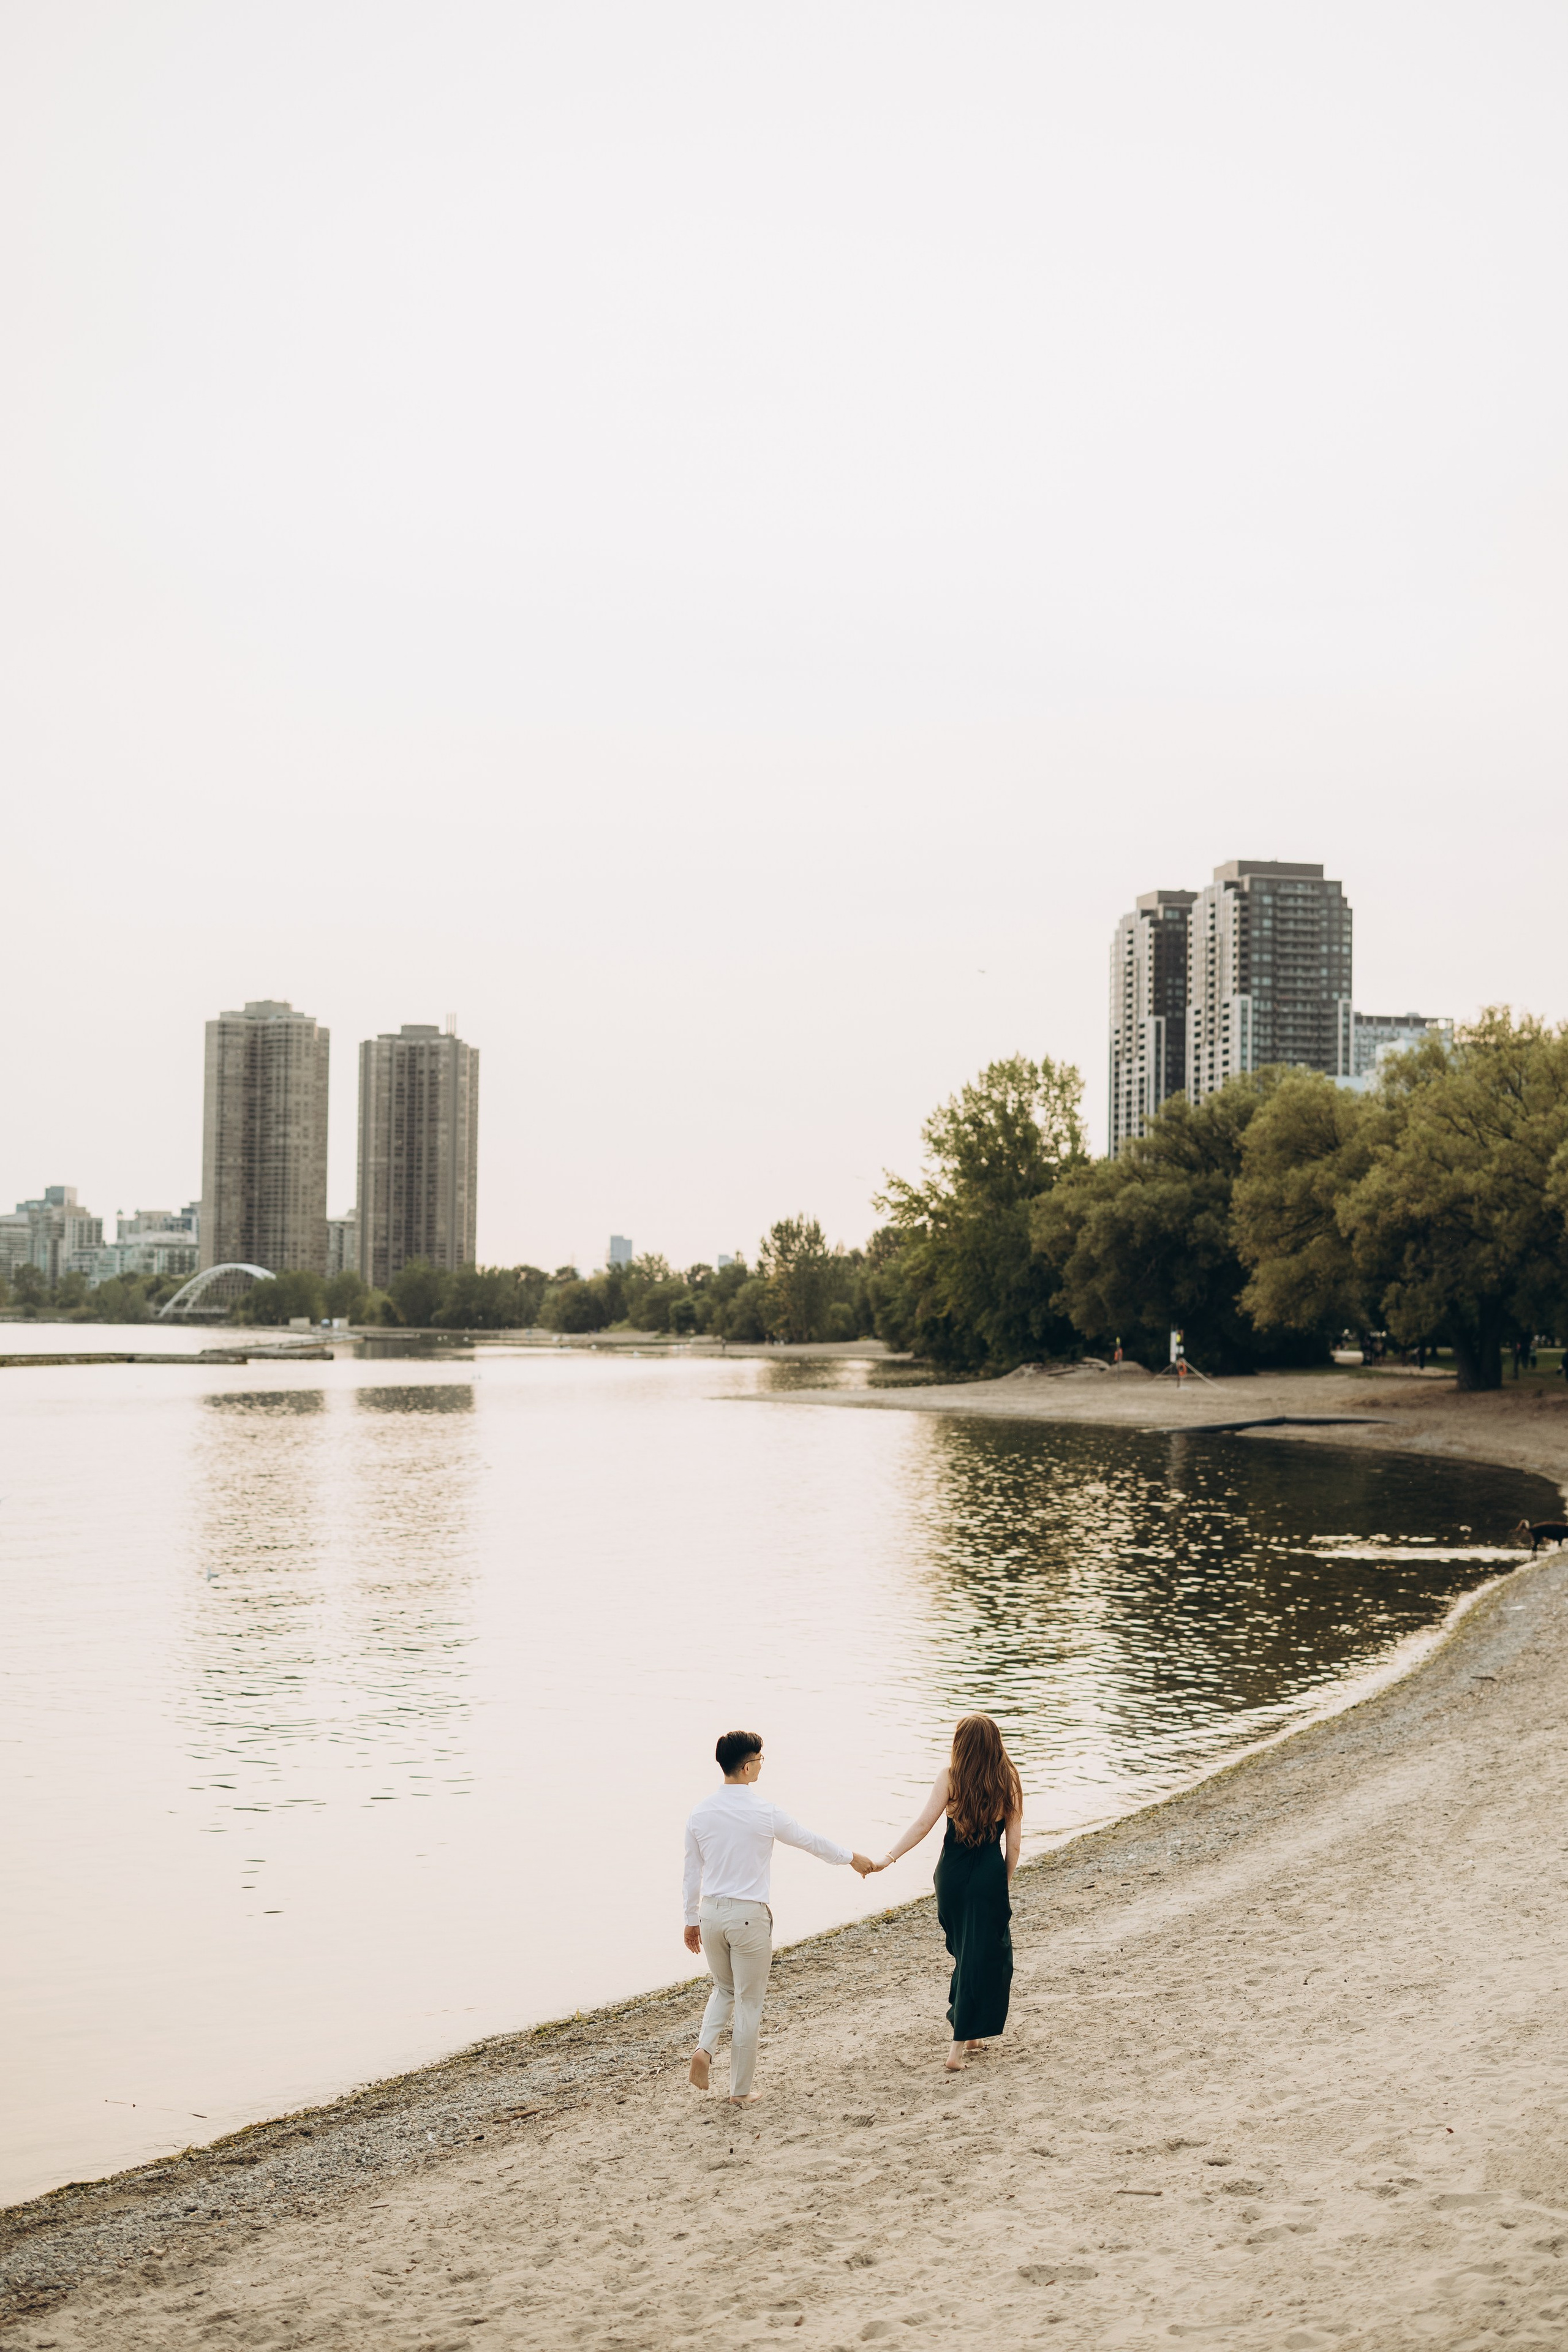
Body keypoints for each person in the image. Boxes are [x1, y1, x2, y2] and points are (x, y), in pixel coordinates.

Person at [683, 1730, 873, 2106]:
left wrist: (691, 1919)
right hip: (749, 1917)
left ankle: (705, 2048)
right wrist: (853, 1858)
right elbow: (810, 1840)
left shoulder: (700, 1812)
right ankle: (739, 2092)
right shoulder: (764, 1811)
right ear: (747, 1765)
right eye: (760, 1759)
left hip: (711, 1913)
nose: (761, 1766)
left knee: (724, 1989)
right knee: (750, 2002)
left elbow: (692, 1871)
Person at [874, 1714, 1022, 2072]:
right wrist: (1001, 1882)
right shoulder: (1009, 1780)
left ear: (962, 1744)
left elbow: (923, 1824)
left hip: (950, 1878)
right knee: (986, 1956)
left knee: (965, 1952)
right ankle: (957, 2049)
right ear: (996, 1742)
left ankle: (972, 2035)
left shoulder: (951, 1777)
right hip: (987, 1878)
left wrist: (887, 1858)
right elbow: (1014, 1846)